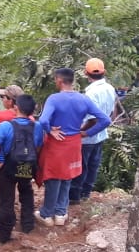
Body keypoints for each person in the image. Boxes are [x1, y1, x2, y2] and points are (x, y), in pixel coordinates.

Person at [36, 68, 112, 227]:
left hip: (57, 144)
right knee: (67, 177)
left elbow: (43, 120)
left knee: (53, 178)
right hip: (74, 143)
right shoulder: (83, 99)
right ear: (72, 81)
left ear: (59, 80)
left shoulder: (54, 99)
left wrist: (50, 130)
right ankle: (61, 213)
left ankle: (47, 214)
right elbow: (105, 120)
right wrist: (86, 133)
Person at [0, 94, 43, 243]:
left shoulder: (5, 126)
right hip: (27, 166)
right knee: (26, 192)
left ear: (16, 107)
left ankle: (5, 234)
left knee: (7, 199)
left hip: (8, 168)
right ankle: (27, 225)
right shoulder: (37, 126)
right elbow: (37, 147)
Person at [75, 59, 118, 202]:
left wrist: (82, 132)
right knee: (93, 166)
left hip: (88, 137)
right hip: (101, 135)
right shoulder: (110, 88)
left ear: (85, 73)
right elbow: (111, 112)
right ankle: (86, 194)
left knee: (82, 167)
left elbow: (93, 119)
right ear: (104, 72)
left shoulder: (91, 93)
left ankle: (77, 196)